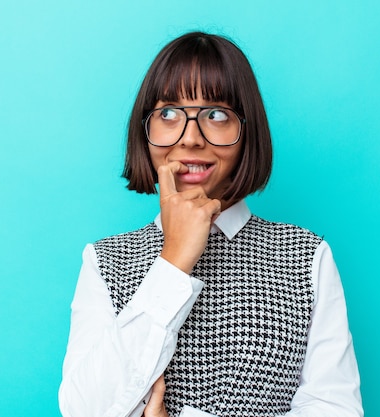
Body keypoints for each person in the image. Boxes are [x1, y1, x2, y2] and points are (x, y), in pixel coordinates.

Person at [58, 31, 363, 417]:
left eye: (216, 115)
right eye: (168, 113)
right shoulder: (105, 261)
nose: (190, 139)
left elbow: (334, 408)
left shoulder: (305, 256)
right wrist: (172, 263)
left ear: (246, 131)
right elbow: (85, 410)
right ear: (145, 129)